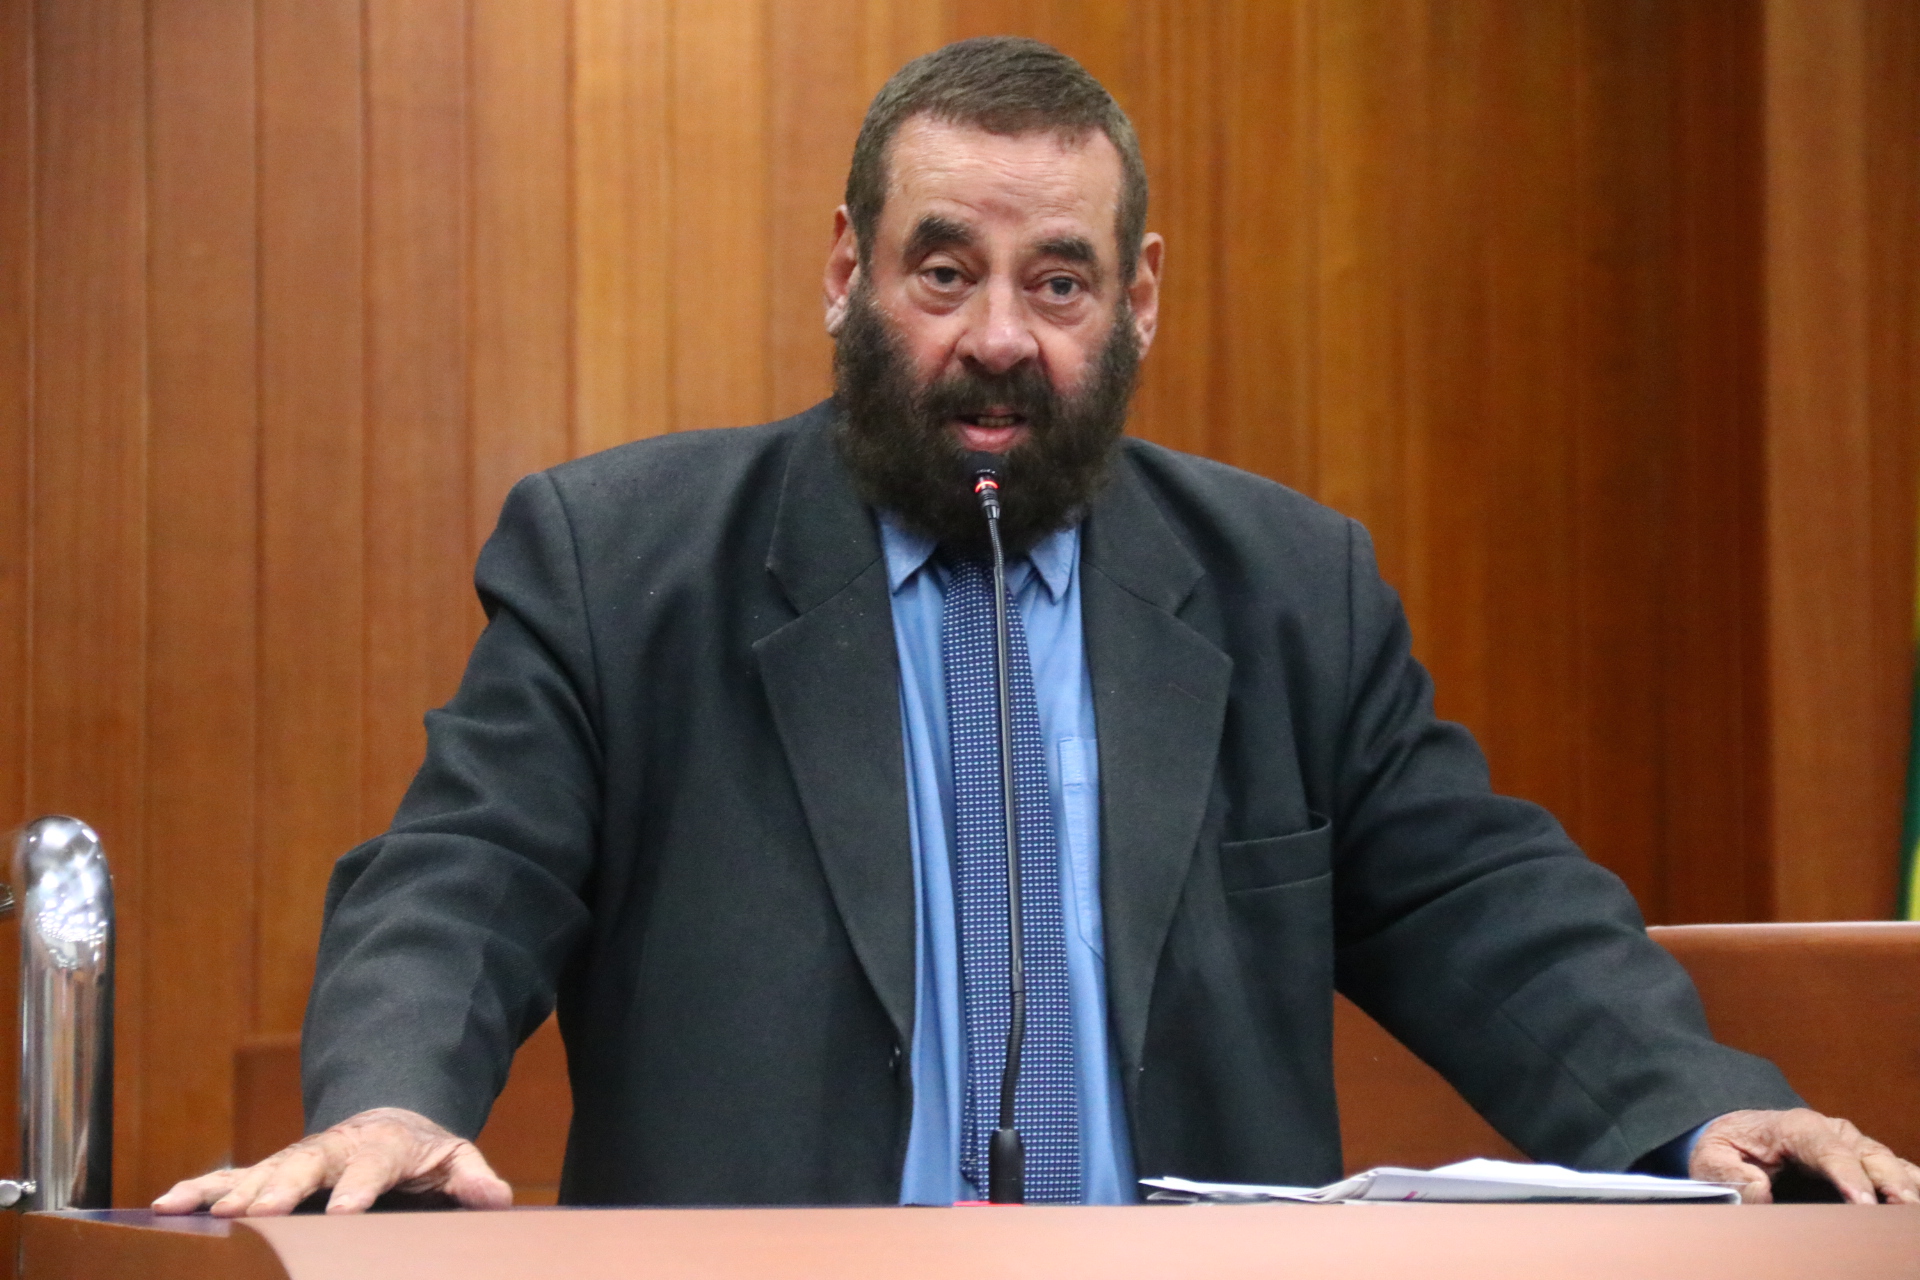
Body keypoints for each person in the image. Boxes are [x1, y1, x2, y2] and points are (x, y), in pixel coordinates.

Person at [159, 36, 1917, 1217]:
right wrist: (396, 1096)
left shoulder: (1287, 588)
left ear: (1136, 300)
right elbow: (464, 873)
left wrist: (1699, 1103)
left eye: (1058, 281)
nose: (999, 337)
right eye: (945, 273)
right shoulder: (624, 566)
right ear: (846, 274)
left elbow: (1486, 907)